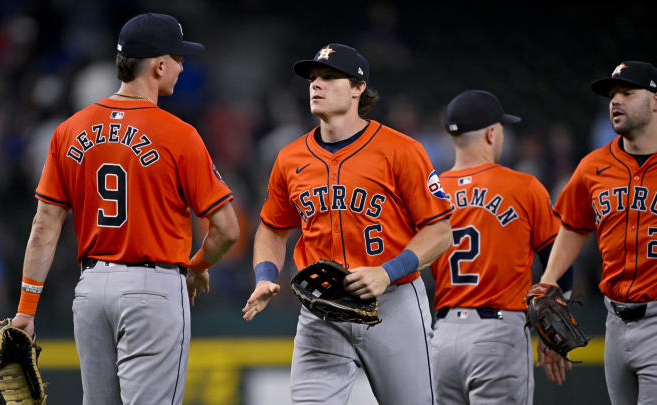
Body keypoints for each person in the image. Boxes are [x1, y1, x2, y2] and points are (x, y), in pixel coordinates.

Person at [9, 13, 239, 405]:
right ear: (159, 65)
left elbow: (44, 227)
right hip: (153, 290)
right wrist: (198, 267)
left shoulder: (69, 130)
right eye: (179, 59)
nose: (183, 67)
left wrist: (26, 312)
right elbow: (227, 229)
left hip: (92, 292)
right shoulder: (179, 134)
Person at [241, 43, 453, 404]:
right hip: (321, 309)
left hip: (393, 303)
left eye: (328, 77)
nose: (316, 84)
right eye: (313, 78)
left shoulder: (400, 150)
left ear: (358, 88)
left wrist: (387, 271)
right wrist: (265, 275)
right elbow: (273, 229)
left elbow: (439, 231)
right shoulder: (290, 158)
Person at [429, 90, 574, 404]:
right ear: (492, 133)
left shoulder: (431, 193)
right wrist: (553, 333)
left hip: (441, 338)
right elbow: (560, 260)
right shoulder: (523, 186)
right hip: (497, 335)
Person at [537, 60, 657, 403]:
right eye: (612, 95)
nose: (615, 101)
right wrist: (548, 282)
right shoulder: (593, 166)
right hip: (614, 320)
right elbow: (574, 227)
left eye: (627, 93)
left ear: (655, 101)